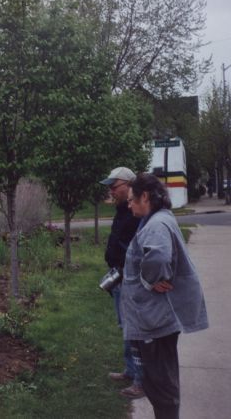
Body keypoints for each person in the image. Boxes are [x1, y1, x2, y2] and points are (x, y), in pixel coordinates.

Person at [122, 173, 208, 419]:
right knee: (160, 382)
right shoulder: (158, 219)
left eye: (131, 200)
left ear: (145, 197)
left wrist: (149, 280)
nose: (128, 205)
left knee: (161, 385)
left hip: (155, 321)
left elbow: (158, 257)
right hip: (155, 319)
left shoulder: (156, 224)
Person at [99, 166, 144, 399]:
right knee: (124, 327)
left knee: (134, 329)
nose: (111, 191)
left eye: (114, 186)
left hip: (131, 279)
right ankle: (130, 370)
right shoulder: (121, 210)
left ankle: (141, 381)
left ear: (128, 185)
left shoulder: (136, 211)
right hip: (119, 277)